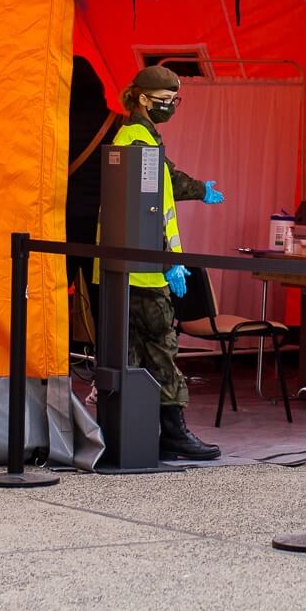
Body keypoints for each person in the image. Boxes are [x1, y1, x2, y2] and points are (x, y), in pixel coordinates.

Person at [106, 66, 226, 461]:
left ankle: (131, 435)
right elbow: (146, 208)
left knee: (133, 354)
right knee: (162, 349)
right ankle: (173, 434)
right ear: (142, 99)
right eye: (164, 100)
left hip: (128, 268)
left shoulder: (136, 137)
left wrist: (200, 189)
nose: (171, 107)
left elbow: (166, 180)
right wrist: (166, 260)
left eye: (175, 100)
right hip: (145, 271)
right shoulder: (139, 143)